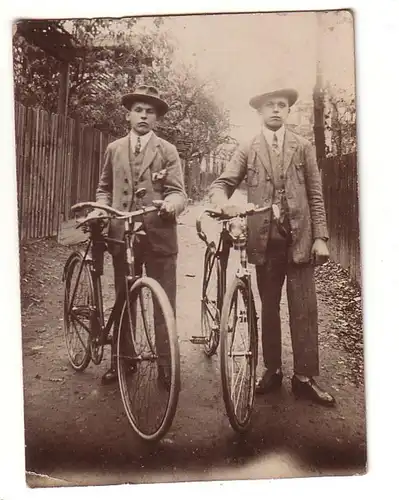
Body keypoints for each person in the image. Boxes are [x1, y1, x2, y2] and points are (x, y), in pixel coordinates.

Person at [208, 86, 335, 406]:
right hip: (265, 242)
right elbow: (223, 183)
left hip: (300, 240)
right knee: (269, 307)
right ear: (260, 112)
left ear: (289, 111)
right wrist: (221, 202)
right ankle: (273, 369)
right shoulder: (247, 148)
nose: (276, 110)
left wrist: (320, 237)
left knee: (304, 308)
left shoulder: (303, 147)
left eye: (282, 105)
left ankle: (304, 378)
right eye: (270, 106)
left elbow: (316, 196)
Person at [95, 84, 187, 384]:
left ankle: (164, 365)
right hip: (122, 234)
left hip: (158, 236)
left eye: (149, 112)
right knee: (124, 299)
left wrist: (171, 205)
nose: (143, 116)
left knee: (163, 301)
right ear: (129, 115)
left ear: (157, 119)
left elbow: (178, 193)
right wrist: (101, 208)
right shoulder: (114, 148)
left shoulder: (168, 150)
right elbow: (104, 188)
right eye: (138, 110)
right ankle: (124, 360)